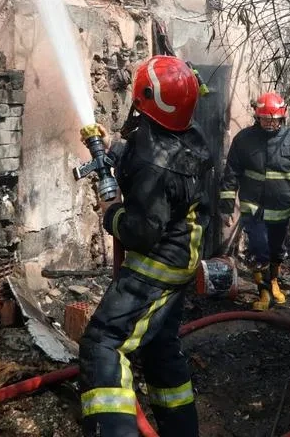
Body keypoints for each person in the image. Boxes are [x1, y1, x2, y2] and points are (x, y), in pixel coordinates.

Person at [79, 55, 211, 437]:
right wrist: (112, 148)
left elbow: (139, 231)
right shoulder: (189, 134)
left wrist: (110, 213)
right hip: (181, 258)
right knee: (158, 347)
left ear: (145, 98)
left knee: (103, 345)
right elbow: (151, 150)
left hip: (156, 266)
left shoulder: (156, 163)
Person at [219, 91, 290, 311]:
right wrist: (226, 208)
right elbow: (231, 174)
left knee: (276, 251)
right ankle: (263, 291)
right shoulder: (244, 140)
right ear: (257, 117)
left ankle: (273, 282)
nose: (270, 124)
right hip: (253, 208)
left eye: (274, 120)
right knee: (259, 249)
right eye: (265, 119)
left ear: (282, 117)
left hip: (281, 209)